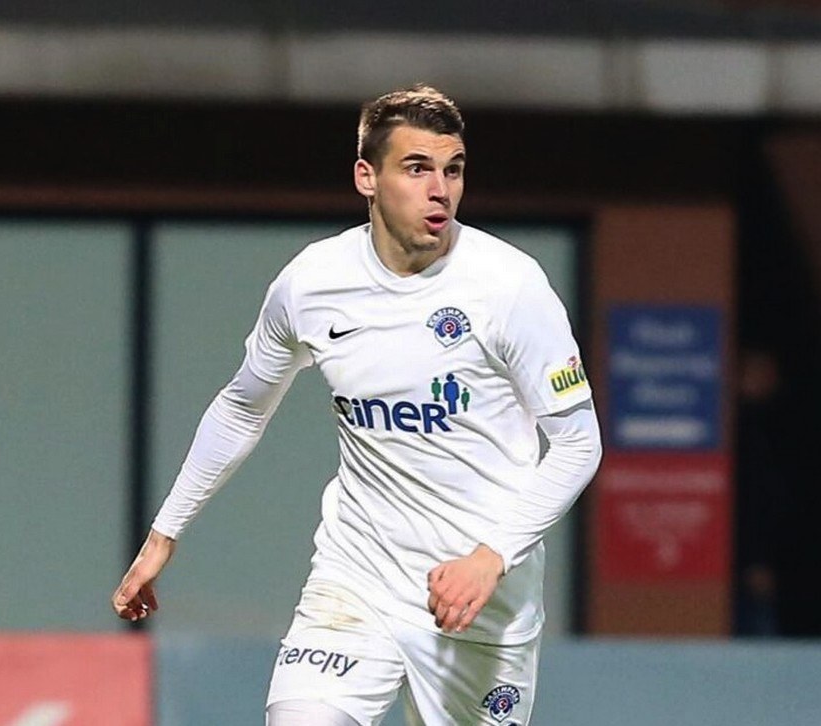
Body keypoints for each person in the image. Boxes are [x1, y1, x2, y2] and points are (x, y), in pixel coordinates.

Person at [112, 84, 602, 726]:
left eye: (453, 170)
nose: (440, 190)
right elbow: (242, 407)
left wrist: (491, 557)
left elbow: (578, 443)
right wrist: (165, 533)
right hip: (356, 582)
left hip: (482, 604)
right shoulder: (313, 283)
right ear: (366, 177)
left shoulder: (509, 287)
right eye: (417, 168)